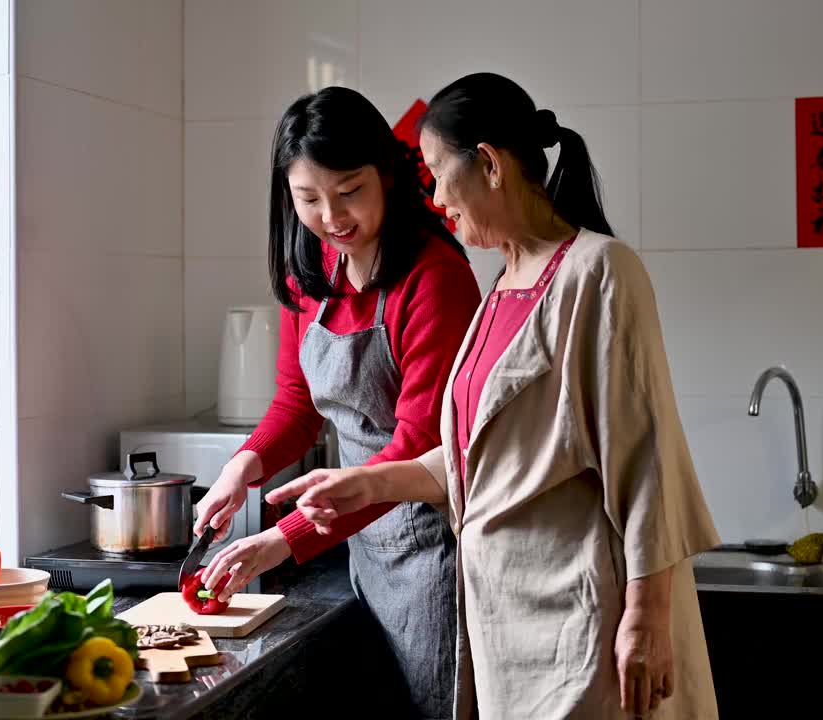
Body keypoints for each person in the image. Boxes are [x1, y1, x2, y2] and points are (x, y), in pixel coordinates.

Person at [268, 73, 722, 720]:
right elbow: (472, 459)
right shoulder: (505, 284)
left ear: (487, 163)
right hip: (510, 627)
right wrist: (364, 487)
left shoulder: (599, 271)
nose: (430, 194)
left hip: (590, 620)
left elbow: (648, 459)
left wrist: (646, 613)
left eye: (434, 172)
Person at [191, 86, 482, 719]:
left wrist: (282, 539)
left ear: (386, 174)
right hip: (358, 550)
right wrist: (240, 469)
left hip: (432, 549)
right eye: (308, 198)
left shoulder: (434, 277)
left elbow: (416, 446)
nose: (332, 216)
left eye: (349, 190)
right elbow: (297, 404)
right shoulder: (310, 271)